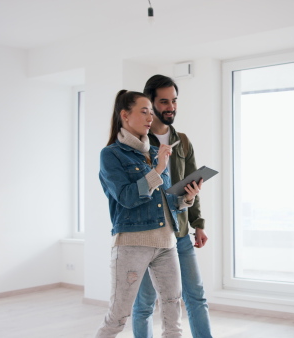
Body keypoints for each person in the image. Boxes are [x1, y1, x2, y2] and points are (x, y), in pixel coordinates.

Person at [95, 90, 202, 338]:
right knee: (118, 317)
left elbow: (166, 201)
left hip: (167, 243)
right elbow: (127, 197)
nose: (150, 118)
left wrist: (188, 196)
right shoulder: (111, 155)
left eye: (151, 113)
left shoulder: (154, 154)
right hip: (132, 244)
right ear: (125, 115)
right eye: (144, 112)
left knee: (173, 313)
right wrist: (159, 169)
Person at [132, 75, 213, 338]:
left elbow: (192, 183)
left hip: (179, 233)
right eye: (164, 101)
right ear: (151, 104)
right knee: (144, 303)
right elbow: (138, 191)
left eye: (174, 101)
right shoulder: (138, 144)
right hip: (150, 236)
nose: (171, 107)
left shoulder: (184, 141)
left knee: (195, 296)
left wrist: (198, 224)